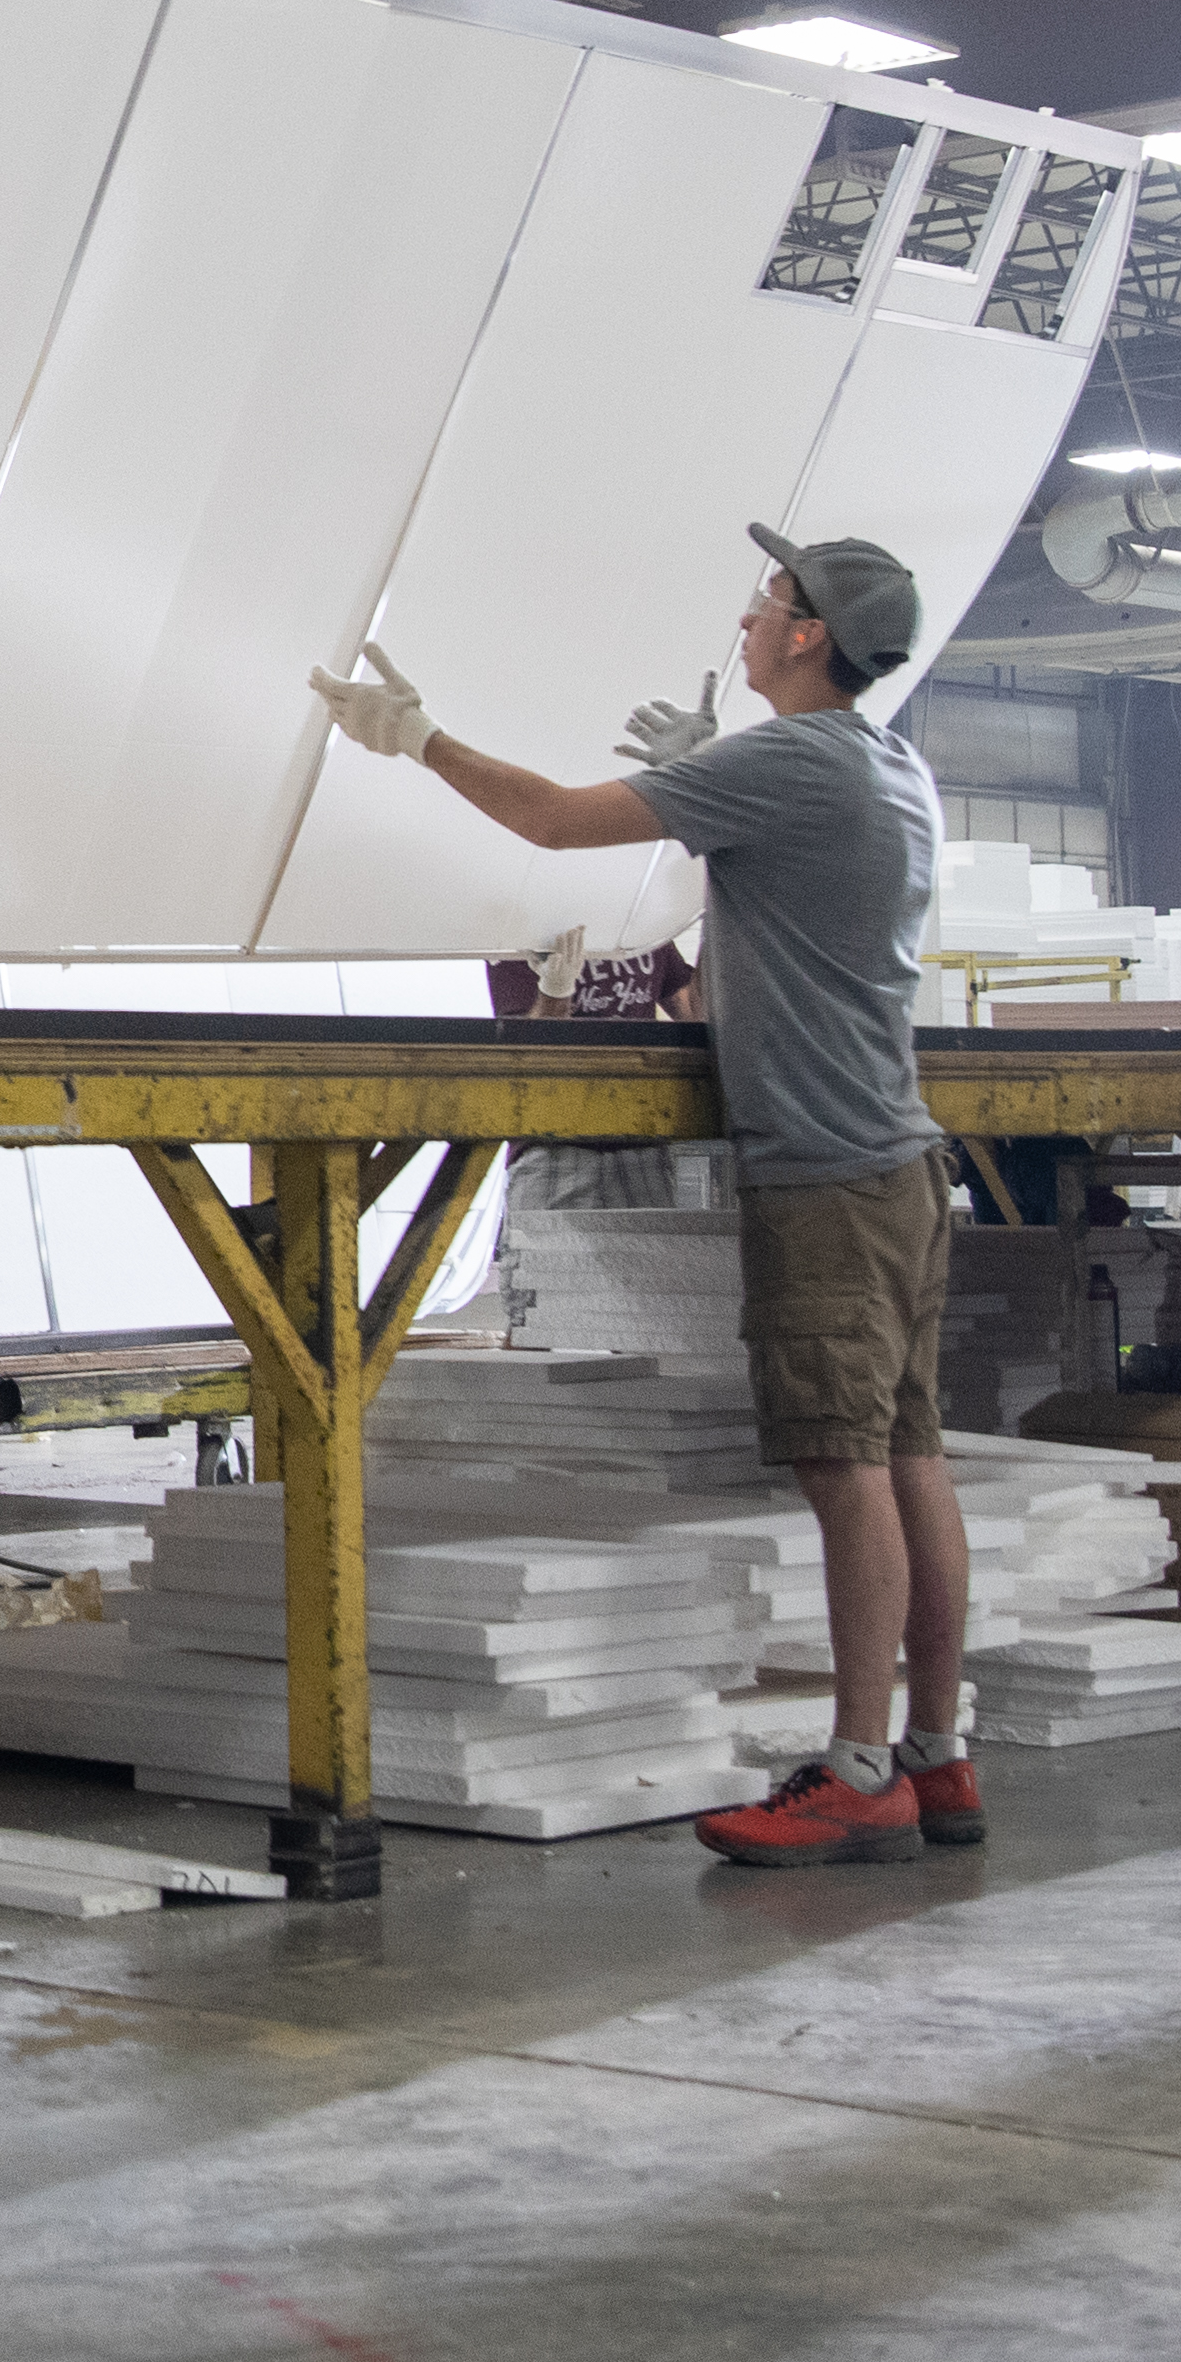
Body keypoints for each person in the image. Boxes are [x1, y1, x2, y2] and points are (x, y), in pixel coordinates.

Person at [315, 530, 973, 1867]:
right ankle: (935, 1757)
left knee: (843, 1470)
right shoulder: (891, 766)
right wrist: (701, 768)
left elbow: (556, 822)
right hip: (900, 1163)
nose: (749, 611)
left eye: (771, 599)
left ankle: (856, 1771)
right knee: (910, 1457)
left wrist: (418, 738)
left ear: (806, 636)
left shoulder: (791, 760)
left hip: (828, 1176)